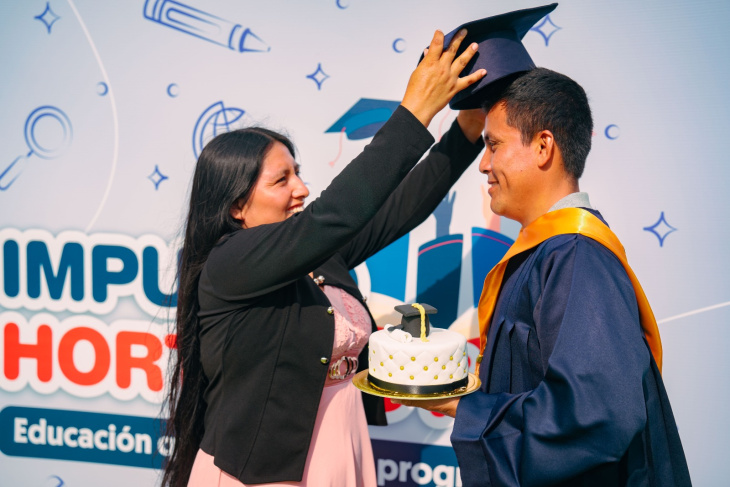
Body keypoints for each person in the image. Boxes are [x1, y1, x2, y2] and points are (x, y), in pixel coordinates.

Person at [161, 28, 488, 487]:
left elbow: (400, 207)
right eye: (281, 180)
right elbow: (334, 214)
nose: (301, 189)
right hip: (263, 474)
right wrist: (415, 112)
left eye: (298, 173)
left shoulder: (315, 254)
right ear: (236, 206)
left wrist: (467, 131)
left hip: (342, 449)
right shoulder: (230, 263)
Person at [400, 67, 692, 486]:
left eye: (494, 145)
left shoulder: (577, 255)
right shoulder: (551, 252)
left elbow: (594, 412)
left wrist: (469, 411)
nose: (483, 164)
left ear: (542, 146)